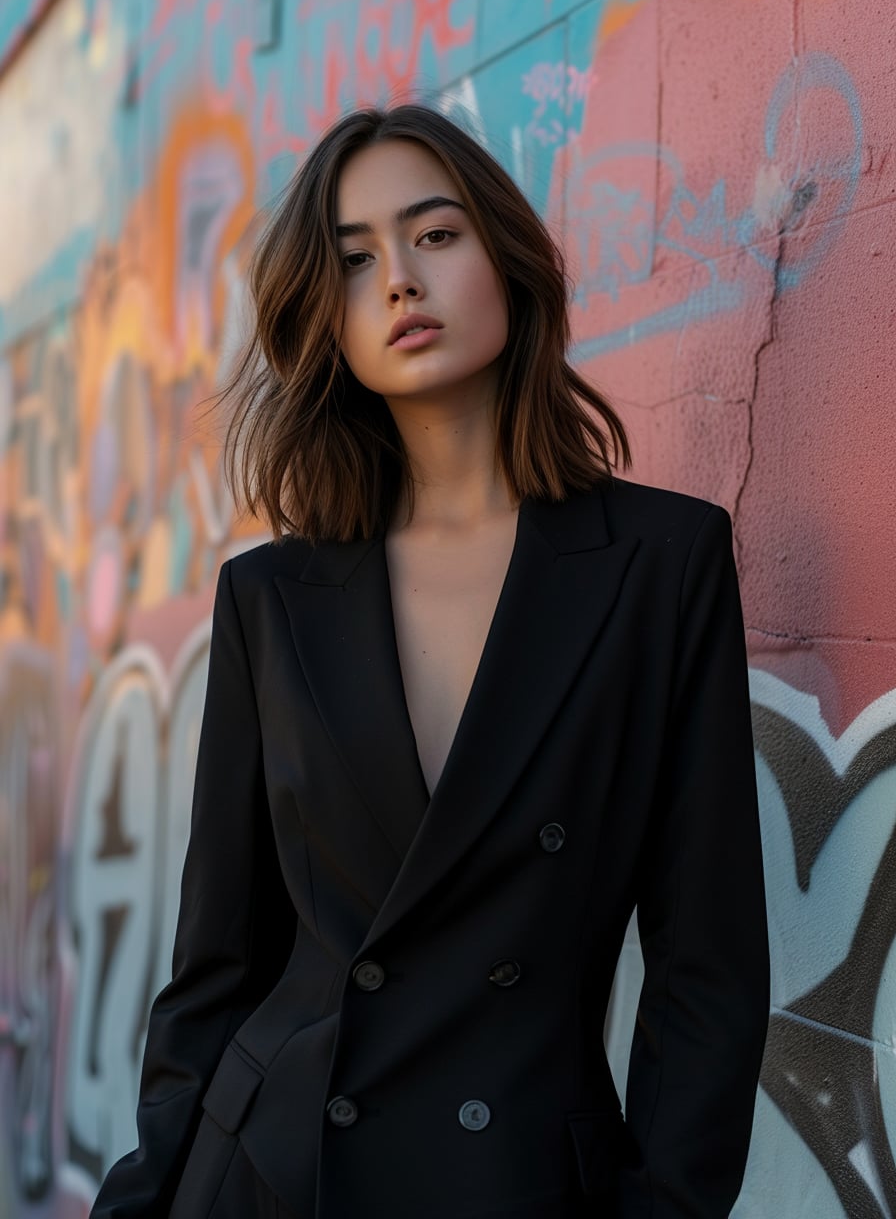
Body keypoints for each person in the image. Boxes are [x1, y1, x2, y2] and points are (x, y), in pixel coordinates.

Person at [91, 104, 769, 1219]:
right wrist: (145, 1195)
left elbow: (706, 970)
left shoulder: (660, 564)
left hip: (515, 1179)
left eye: (434, 235)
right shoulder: (270, 598)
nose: (399, 280)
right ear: (328, 322)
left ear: (505, 257)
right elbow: (216, 966)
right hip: (273, 1173)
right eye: (353, 262)